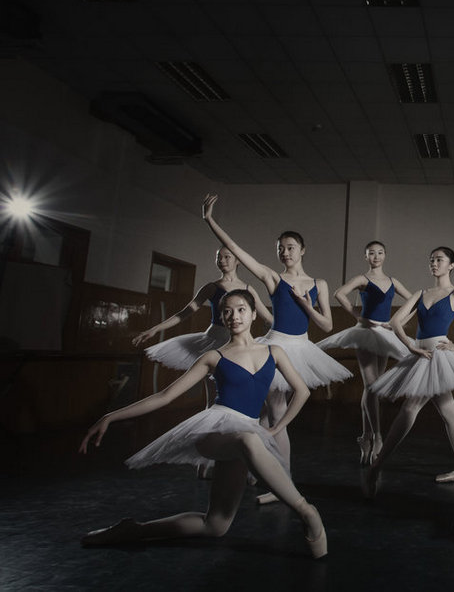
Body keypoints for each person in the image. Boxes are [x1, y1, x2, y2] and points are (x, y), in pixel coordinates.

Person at [79, 289, 327, 559]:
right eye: (227, 311)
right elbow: (165, 396)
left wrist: (277, 429)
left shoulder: (273, 352)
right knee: (248, 439)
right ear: (221, 316)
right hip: (215, 430)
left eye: (241, 309)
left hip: (247, 431)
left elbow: (302, 391)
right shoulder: (214, 357)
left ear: (254, 314)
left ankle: (133, 530)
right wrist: (110, 416)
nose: (234, 316)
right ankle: (306, 511)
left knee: (216, 525)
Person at [202, 194, 352, 478]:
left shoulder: (318, 283)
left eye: (291, 247)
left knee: (272, 413)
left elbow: (327, 325)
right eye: (281, 248)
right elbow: (237, 250)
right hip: (274, 344)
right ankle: (276, 474)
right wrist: (210, 219)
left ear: (302, 250)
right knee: (275, 410)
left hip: (301, 348)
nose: (285, 252)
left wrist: (305, 303)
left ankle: (261, 465)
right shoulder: (273, 278)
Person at [364, 247, 454, 495]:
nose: (434, 263)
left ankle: (377, 465)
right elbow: (396, 322)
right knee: (447, 411)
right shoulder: (421, 293)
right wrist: (410, 347)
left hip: (440, 356)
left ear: (451, 265)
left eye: (439, 260)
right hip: (421, 356)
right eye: (431, 260)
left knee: (413, 408)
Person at [134, 246, 273, 406]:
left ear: (238, 261)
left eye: (226, 257)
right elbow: (185, 313)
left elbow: (268, 317)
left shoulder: (248, 289)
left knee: (244, 390)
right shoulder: (211, 288)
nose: (221, 260)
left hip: (239, 343)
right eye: (218, 257)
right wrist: (155, 329)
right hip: (213, 340)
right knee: (214, 394)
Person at [318, 240, 413, 465]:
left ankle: (366, 437)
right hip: (366, 332)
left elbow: (414, 301)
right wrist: (358, 316)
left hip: (386, 333)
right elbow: (339, 293)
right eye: (372, 253)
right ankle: (377, 436)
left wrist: (397, 322)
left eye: (380, 252)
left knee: (374, 388)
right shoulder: (363, 278)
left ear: (385, 255)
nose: (376, 256)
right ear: (366, 257)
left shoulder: (392, 281)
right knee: (372, 386)